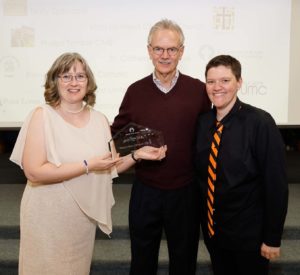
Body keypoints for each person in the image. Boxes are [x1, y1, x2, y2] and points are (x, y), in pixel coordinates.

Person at [10, 52, 166, 275]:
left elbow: (109, 166)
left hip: (81, 219)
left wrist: (137, 155)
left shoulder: (100, 119)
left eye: (80, 76)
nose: (74, 82)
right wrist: (87, 165)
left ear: (88, 82)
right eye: (66, 76)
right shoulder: (41, 115)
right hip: (47, 215)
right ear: (55, 81)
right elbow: (34, 172)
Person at [111, 19, 211, 275]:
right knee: (142, 263)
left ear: (181, 52)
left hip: (186, 192)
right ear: (149, 50)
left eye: (171, 49)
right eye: (158, 49)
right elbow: (118, 137)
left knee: (184, 261)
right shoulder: (135, 91)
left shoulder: (199, 90)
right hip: (146, 191)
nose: (164, 56)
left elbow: (208, 137)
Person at [195, 54, 288, 275]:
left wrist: (272, 238)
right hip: (214, 233)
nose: (217, 87)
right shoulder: (203, 123)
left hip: (249, 237)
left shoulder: (260, 123)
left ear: (239, 82)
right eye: (211, 81)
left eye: (225, 80)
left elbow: (276, 185)